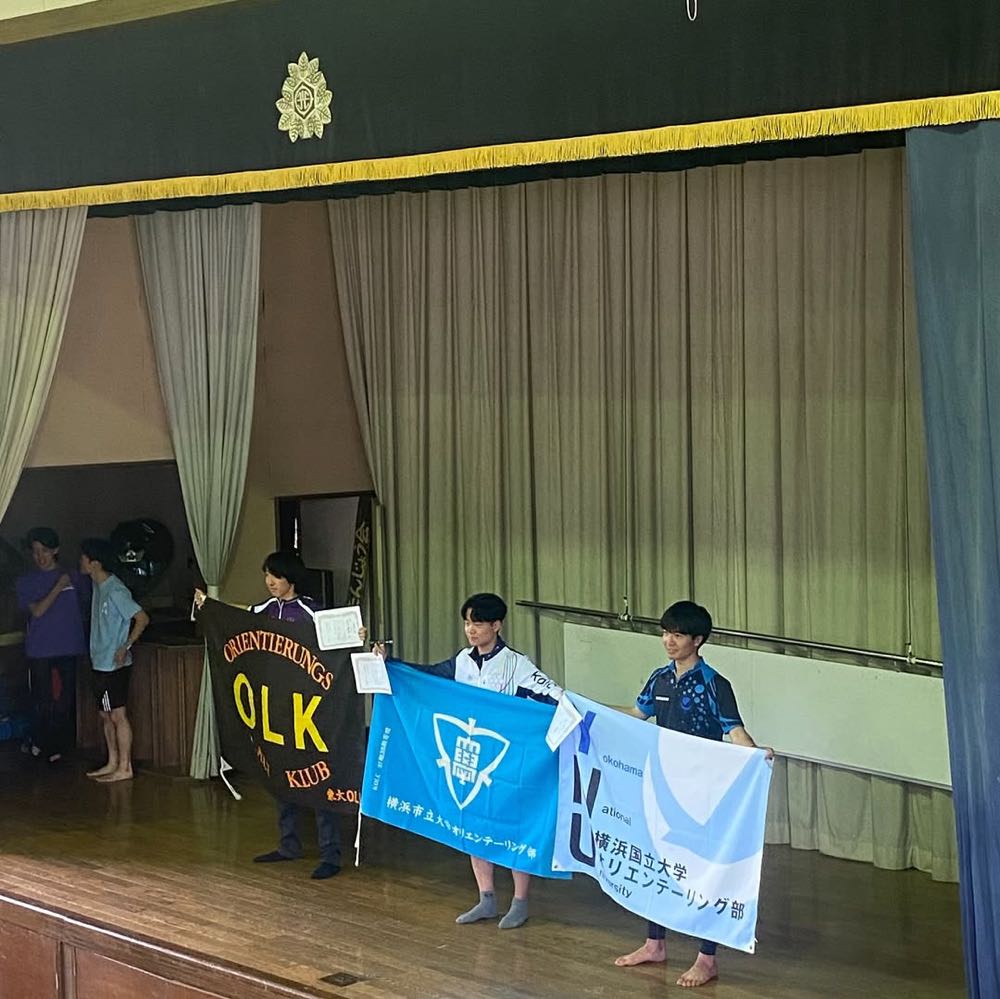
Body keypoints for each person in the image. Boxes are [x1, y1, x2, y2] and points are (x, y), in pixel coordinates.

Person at [374, 591, 562, 930]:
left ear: (496, 625)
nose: (471, 630)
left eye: (478, 624)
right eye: (466, 623)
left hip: (505, 760)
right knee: (473, 823)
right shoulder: (462, 660)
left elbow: (554, 696)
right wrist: (391, 664)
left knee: (514, 825)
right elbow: (426, 676)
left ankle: (520, 902)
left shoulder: (517, 664)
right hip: (470, 757)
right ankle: (486, 898)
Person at [614, 599, 771, 989]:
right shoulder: (659, 678)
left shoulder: (715, 684)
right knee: (656, 861)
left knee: (704, 870)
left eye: (679, 634)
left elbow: (734, 731)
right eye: (666, 633)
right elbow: (637, 715)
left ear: (698, 640)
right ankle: (654, 944)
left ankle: (707, 958)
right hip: (662, 785)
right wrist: (587, 711)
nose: (669, 641)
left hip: (702, 791)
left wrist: (756, 755)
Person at [196, 550, 343, 880]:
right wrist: (210, 606)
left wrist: (356, 637)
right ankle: (288, 844)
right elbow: (238, 618)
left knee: (319, 781)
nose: (269, 582)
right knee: (279, 775)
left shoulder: (312, 611)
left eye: (275, 576)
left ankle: (330, 853)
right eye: (266, 575)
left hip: (310, 711)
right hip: (274, 710)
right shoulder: (263, 610)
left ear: (291, 577)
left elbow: (339, 644)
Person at [15, 527, 89, 764]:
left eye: (45, 551)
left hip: (69, 645)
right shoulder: (26, 581)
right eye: (36, 551)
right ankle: (40, 741)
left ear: (55, 550)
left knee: (65, 699)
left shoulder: (75, 576)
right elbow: (37, 611)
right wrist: (59, 587)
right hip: (40, 648)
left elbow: (88, 602)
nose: (40, 556)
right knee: (43, 699)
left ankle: (57, 744)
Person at [79, 537, 149, 783]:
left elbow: (142, 618)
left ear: (95, 563)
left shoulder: (116, 590)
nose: (80, 561)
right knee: (106, 716)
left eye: (84, 558)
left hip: (113, 664)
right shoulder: (97, 586)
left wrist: (125, 646)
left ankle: (124, 766)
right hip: (99, 661)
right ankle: (112, 761)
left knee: (117, 715)